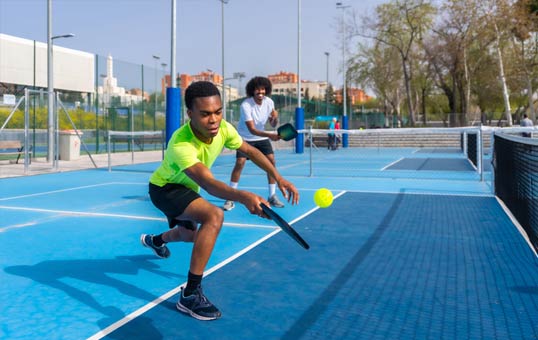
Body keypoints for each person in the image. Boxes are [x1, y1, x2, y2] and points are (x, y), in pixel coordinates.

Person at [140, 81, 299, 321]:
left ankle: (155, 240)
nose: (213, 119)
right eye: (205, 114)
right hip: (165, 189)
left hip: (186, 188)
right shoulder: (181, 143)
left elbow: (252, 151)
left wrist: (279, 177)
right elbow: (208, 183)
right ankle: (190, 295)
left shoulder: (224, 129)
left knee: (189, 235)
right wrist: (245, 197)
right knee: (214, 215)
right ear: (190, 114)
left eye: (217, 112)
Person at [222, 76, 284, 211]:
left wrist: (275, 118)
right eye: (258, 90)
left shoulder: (269, 103)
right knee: (240, 163)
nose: (260, 93)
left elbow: (272, 124)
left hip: (261, 138)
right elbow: (252, 129)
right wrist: (270, 135)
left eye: (263, 90)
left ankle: (272, 195)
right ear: (252, 91)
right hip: (245, 137)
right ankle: (231, 196)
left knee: (271, 162)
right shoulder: (246, 105)